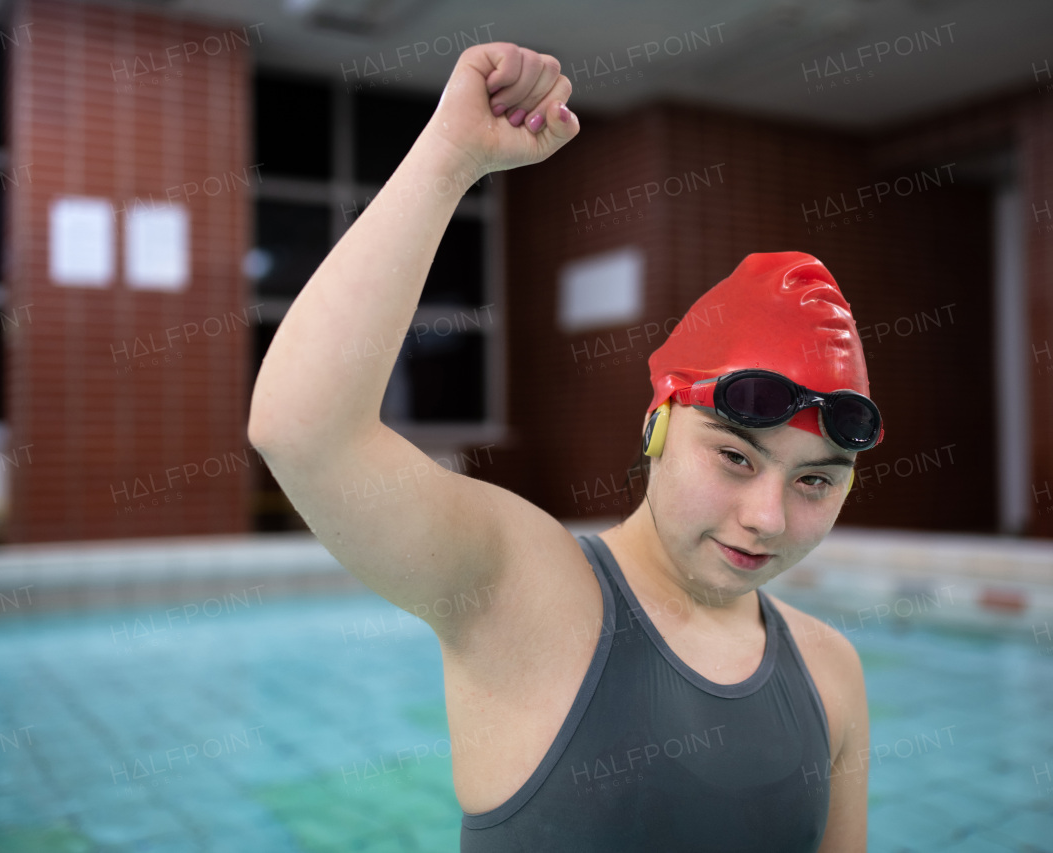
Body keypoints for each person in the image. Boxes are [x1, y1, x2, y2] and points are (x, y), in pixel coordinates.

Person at [249, 41, 874, 852]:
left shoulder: (831, 676)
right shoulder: (527, 593)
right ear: (656, 424)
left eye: (815, 482)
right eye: (735, 457)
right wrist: (448, 160)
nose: (767, 517)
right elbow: (302, 430)